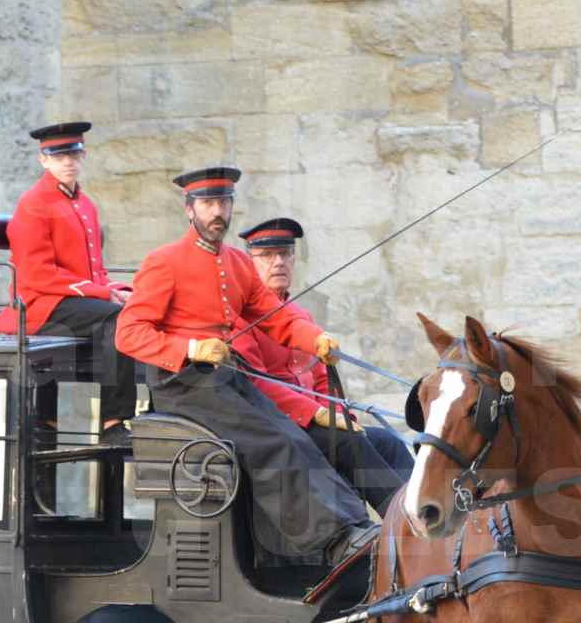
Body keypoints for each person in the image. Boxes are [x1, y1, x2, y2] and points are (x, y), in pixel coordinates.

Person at [115, 166, 377, 564]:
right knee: (270, 441)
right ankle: (334, 541)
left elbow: (277, 317)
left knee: (293, 433)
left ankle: (353, 527)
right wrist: (191, 348)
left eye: (223, 202)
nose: (217, 211)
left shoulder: (237, 263)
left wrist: (314, 339)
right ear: (190, 210)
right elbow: (128, 333)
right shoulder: (165, 261)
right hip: (181, 384)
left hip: (224, 377)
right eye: (207, 203)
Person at [237, 217, 415, 515]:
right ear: (249, 262)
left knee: (388, 441)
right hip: (279, 426)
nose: (278, 262)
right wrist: (318, 415)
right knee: (349, 443)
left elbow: (320, 378)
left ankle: (426, 517)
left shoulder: (300, 314)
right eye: (266, 256)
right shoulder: (243, 319)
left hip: (315, 423)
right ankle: (402, 526)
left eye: (285, 253)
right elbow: (256, 383)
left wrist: (338, 414)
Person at [0, 121, 138, 445]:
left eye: (73, 154)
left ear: (82, 154)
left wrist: (119, 289)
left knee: (137, 305)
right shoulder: (33, 203)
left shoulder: (85, 205)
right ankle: (114, 422)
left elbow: (93, 271)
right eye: (58, 156)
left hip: (71, 299)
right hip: (39, 303)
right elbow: (36, 274)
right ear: (43, 160)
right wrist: (102, 293)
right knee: (116, 316)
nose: (68, 162)